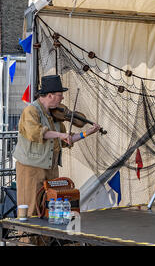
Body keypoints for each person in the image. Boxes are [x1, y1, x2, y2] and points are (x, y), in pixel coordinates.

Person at [13, 75, 101, 218]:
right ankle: (26, 239)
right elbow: (35, 133)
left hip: (51, 169)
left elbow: (67, 140)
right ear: (49, 95)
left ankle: (45, 240)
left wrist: (87, 133)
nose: (62, 99)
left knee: (48, 208)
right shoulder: (31, 111)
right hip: (31, 169)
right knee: (30, 208)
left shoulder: (55, 117)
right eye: (60, 95)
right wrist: (60, 135)